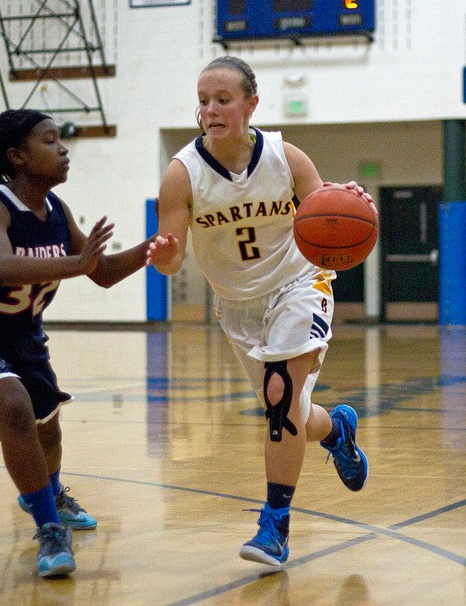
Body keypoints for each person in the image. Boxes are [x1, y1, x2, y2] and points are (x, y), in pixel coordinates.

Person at [146, 56, 373, 567]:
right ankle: (336, 431)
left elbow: (326, 218)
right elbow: (174, 256)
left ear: (251, 104)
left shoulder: (286, 157)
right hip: (238, 305)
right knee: (290, 414)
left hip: (300, 283)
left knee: (279, 397)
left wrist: (348, 201)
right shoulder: (182, 175)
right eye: (203, 101)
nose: (210, 110)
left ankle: (275, 526)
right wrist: (165, 256)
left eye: (223, 100)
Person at [0, 108, 154, 578]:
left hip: (23, 337)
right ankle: (49, 528)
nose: (63, 149)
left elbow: (102, 272)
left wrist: (155, 247)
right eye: (50, 141)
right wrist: (77, 263)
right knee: (13, 406)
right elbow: (2, 268)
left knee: (48, 429)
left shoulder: (58, 213)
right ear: (18, 157)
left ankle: (52, 493)